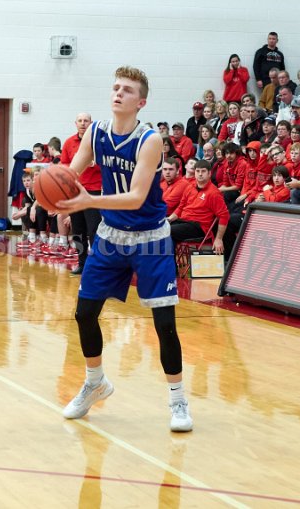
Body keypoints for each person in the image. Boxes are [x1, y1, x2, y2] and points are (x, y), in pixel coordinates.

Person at [56, 66, 193, 432]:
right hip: (111, 236)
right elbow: (71, 173)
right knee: (84, 314)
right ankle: (95, 382)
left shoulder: (150, 140)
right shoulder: (96, 132)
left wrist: (88, 200)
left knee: (164, 324)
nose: (118, 93)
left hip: (150, 238)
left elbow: (135, 198)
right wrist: (50, 188)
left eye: (127, 90)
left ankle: (178, 400)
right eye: (116, 87)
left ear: (141, 102)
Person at [61, 112, 101, 276]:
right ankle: (82, 263)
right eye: (80, 121)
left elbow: (106, 165)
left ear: (91, 123)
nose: (83, 123)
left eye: (86, 121)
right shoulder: (69, 142)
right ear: (75, 123)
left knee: (93, 230)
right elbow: (64, 164)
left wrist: (94, 163)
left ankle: (97, 265)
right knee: (78, 230)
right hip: (75, 191)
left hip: (94, 191)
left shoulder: (98, 142)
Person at [168, 159, 230, 255]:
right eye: (198, 171)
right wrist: (169, 219)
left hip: (198, 227)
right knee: (161, 228)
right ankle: (170, 262)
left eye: (203, 171)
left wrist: (218, 239)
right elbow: (180, 207)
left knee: (167, 231)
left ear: (209, 173)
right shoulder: (190, 187)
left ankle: (169, 263)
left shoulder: (214, 193)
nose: (200, 174)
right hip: (183, 221)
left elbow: (224, 216)